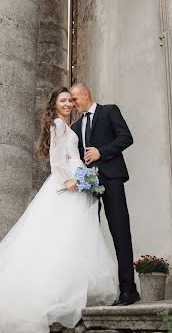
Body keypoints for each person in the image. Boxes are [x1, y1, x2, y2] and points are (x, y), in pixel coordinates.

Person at [0, 87, 118, 333]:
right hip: (67, 184)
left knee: (73, 238)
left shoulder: (68, 126)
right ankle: (53, 293)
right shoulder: (58, 125)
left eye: (70, 100)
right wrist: (68, 180)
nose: (68, 104)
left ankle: (71, 289)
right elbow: (56, 160)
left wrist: (82, 177)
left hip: (78, 181)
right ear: (55, 104)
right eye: (63, 100)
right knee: (60, 236)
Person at [70, 83, 140, 306]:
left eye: (74, 98)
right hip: (89, 186)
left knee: (120, 232)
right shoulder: (75, 126)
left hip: (112, 179)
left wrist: (102, 152)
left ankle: (129, 290)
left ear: (85, 93)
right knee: (90, 236)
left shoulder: (109, 111)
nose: (72, 103)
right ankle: (93, 292)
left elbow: (126, 138)